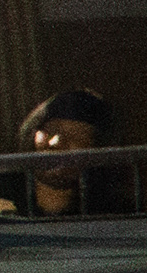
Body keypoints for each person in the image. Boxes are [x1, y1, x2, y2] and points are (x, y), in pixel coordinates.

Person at [14, 89, 128, 218]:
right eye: (49, 131)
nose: (55, 143)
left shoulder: (115, 212)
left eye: (75, 137)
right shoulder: (0, 196)